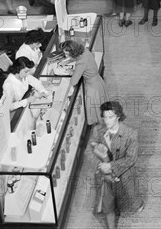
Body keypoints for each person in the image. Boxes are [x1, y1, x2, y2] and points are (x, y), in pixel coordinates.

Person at [90, 101, 144, 229]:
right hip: (105, 176)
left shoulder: (130, 134)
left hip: (123, 174)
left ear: (118, 116)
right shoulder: (98, 130)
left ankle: (137, 205)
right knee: (108, 204)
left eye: (111, 117)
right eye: (104, 117)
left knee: (129, 196)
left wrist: (111, 166)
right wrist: (100, 164)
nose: (107, 120)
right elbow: (90, 151)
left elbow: (131, 159)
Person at [58, 40, 109, 126]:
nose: (66, 56)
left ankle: (101, 129)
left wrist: (72, 72)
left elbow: (74, 82)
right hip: (97, 81)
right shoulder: (84, 50)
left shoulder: (81, 62)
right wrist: (67, 63)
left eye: (66, 54)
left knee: (96, 112)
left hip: (92, 87)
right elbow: (80, 62)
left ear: (73, 52)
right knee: (101, 110)